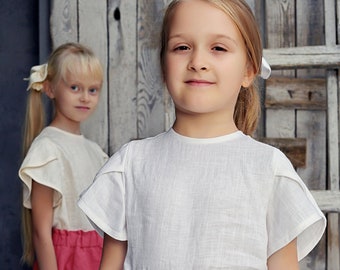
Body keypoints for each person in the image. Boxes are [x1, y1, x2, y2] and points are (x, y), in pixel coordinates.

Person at [78, 0, 326, 269]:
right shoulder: (131, 163)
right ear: (164, 65)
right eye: (182, 47)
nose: (197, 62)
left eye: (218, 48)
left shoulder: (268, 168)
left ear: (248, 71)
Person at [19, 42, 108, 270]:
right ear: (50, 89)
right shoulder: (47, 149)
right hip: (66, 260)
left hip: (99, 258)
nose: (85, 98)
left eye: (93, 89)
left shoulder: (96, 152)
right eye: (75, 88)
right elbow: (41, 232)